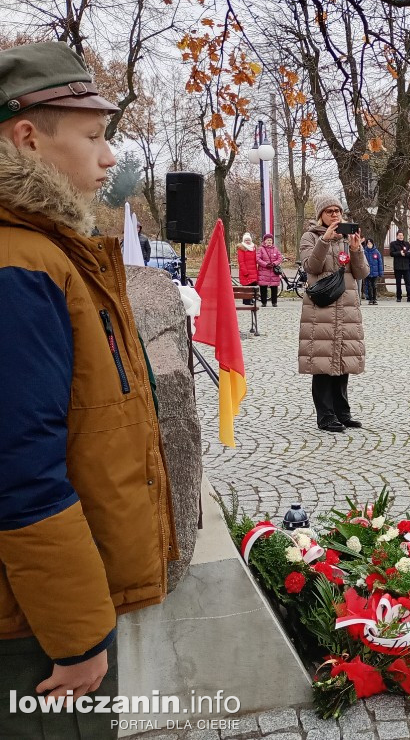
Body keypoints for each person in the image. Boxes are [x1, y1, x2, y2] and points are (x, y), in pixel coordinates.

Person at [0, 40, 176, 739]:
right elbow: (20, 466)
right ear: (27, 138)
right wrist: (75, 636)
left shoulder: (46, 251)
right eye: (95, 137)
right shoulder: (21, 266)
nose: (109, 158)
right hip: (33, 626)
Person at [299, 196, 370, 431]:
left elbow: (362, 273)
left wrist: (356, 249)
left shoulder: (347, 238)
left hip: (347, 307)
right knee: (322, 362)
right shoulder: (310, 237)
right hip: (322, 308)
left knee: (342, 362)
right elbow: (311, 267)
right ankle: (325, 415)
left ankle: (343, 412)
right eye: (329, 211)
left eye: (338, 210)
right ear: (321, 215)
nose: (334, 215)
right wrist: (324, 242)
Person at [256, 233, 283, 307]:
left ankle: (274, 302)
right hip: (263, 271)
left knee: (274, 288)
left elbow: (280, 258)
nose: (269, 241)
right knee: (263, 288)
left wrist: (274, 263)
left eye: (270, 240)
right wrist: (266, 264)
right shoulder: (261, 249)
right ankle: (263, 302)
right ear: (264, 241)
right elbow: (258, 259)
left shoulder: (275, 249)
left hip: (273, 272)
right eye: (268, 240)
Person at [389, 229, 410, 302]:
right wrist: (399, 253)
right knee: (398, 282)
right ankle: (399, 297)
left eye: (402, 235)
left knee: (408, 282)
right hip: (398, 266)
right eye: (399, 235)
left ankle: (409, 296)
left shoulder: (407, 244)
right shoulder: (393, 244)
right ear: (397, 236)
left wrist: (405, 254)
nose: (401, 237)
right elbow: (392, 253)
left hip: (406, 266)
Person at [237, 231, 258, 305]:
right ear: (243, 241)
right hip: (246, 271)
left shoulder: (254, 248)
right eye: (246, 240)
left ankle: (251, 299)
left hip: (254, 270)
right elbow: (241, 261)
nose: (247, 241)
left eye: (248, 240)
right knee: (246, 287)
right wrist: (245, 271)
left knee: (253, 286)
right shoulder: (241, 248)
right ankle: (246, 301)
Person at [363, 237, 383, 305]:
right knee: (369, 286)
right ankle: (370, 299)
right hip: (368, 272)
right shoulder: (364, 252)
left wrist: (380, 273)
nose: (369, 245)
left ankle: (374, 298)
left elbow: (380, 263)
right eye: (368, 244)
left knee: (374, 285)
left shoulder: (376, 252)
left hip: (375, 272)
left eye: (370, 244)